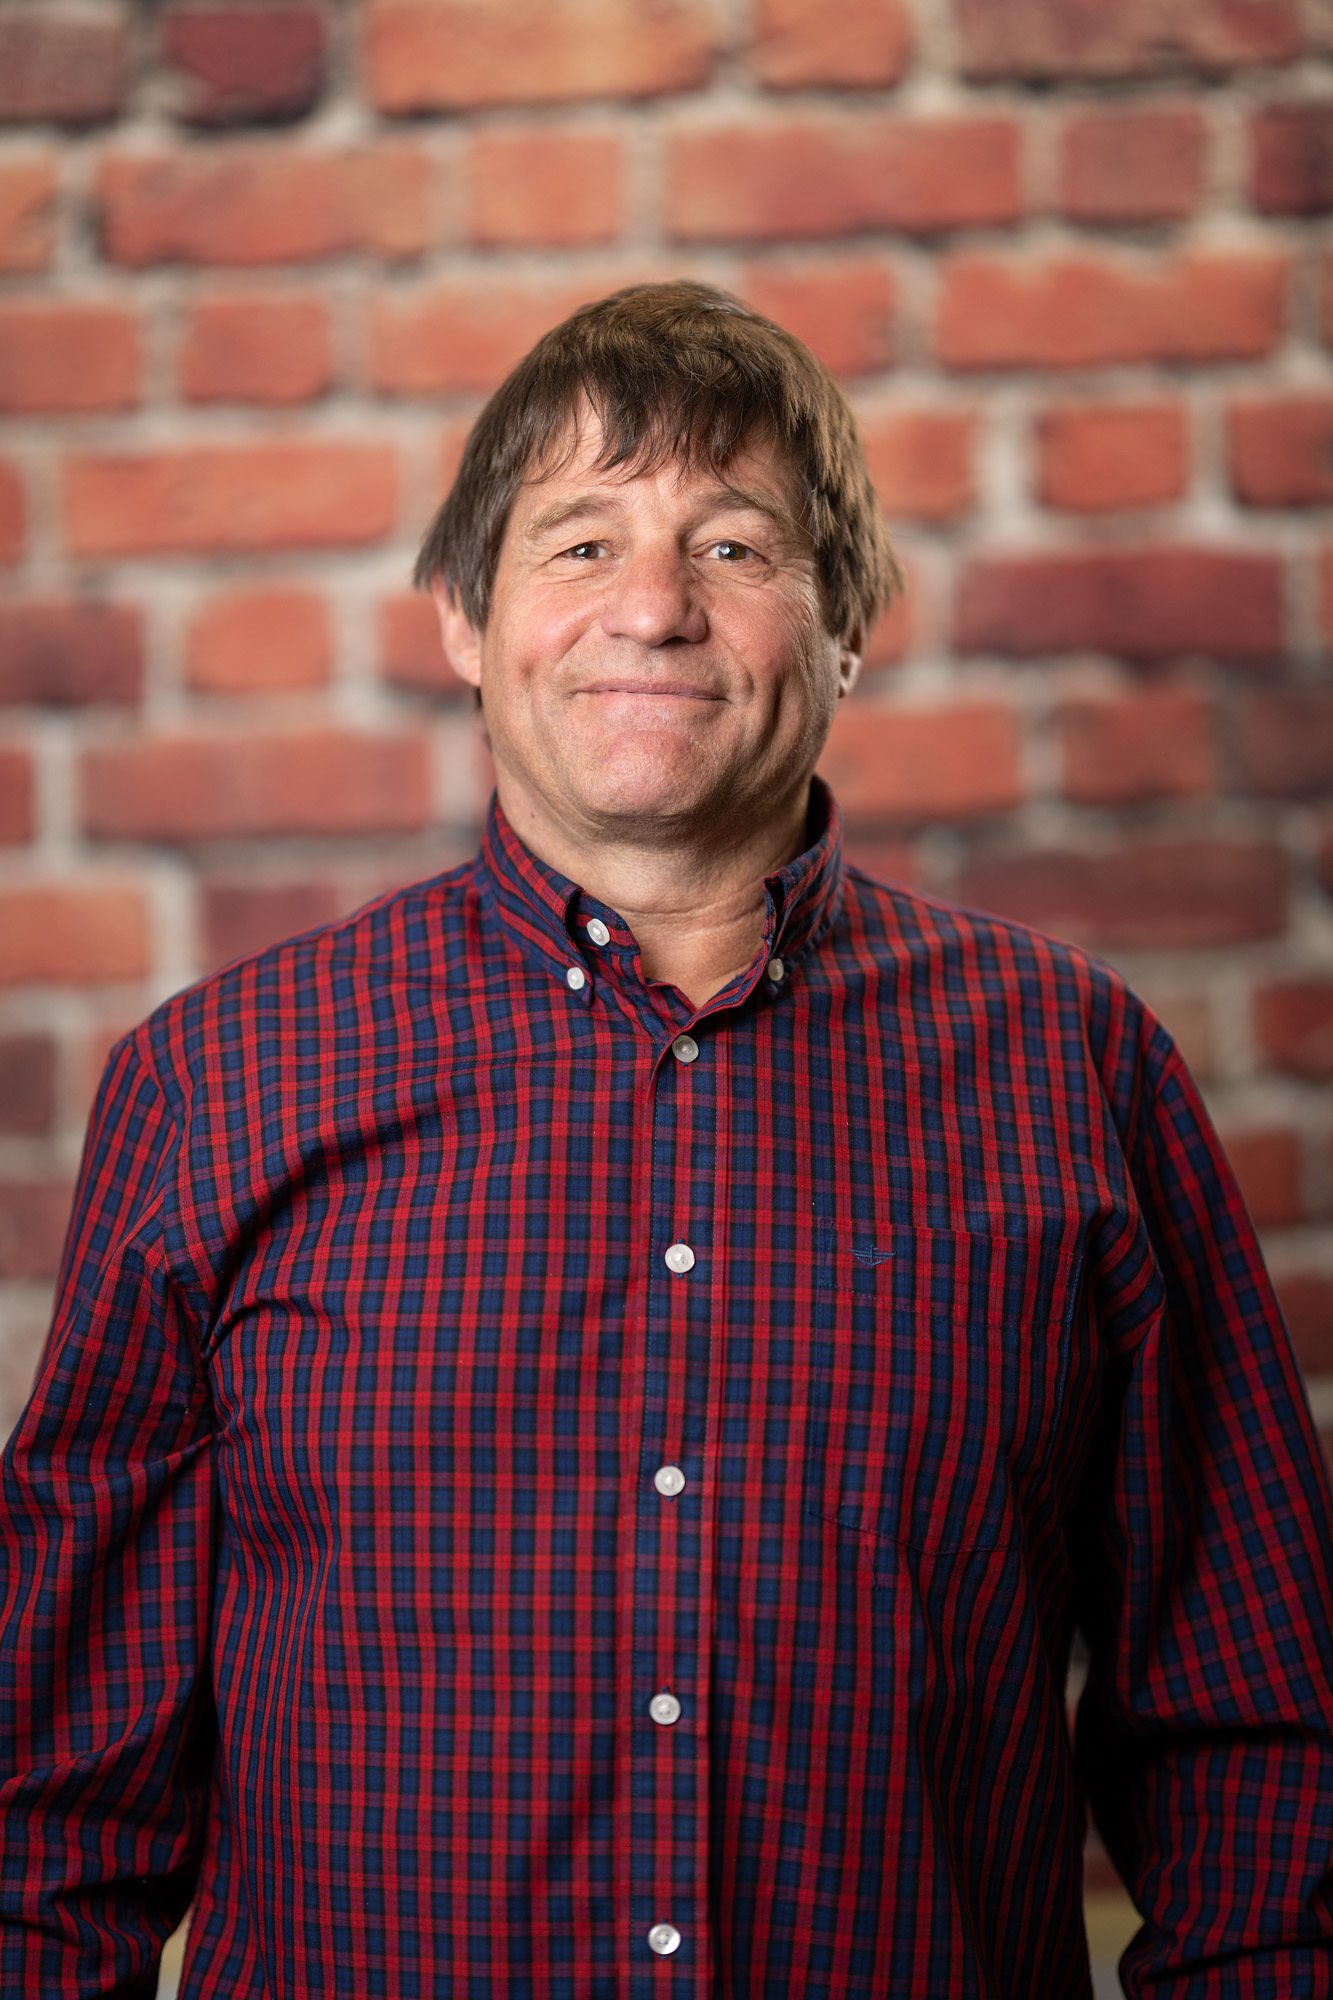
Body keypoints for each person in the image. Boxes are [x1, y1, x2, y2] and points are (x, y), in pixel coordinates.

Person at [2, 280, 1331, 2000]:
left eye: (731, 548)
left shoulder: (1074, 1070)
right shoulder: (224, 1081)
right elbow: (48, 1813)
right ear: (464, 621)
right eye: (577, 545)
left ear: (845, 626)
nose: (651, 608)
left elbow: (1255, 1746)